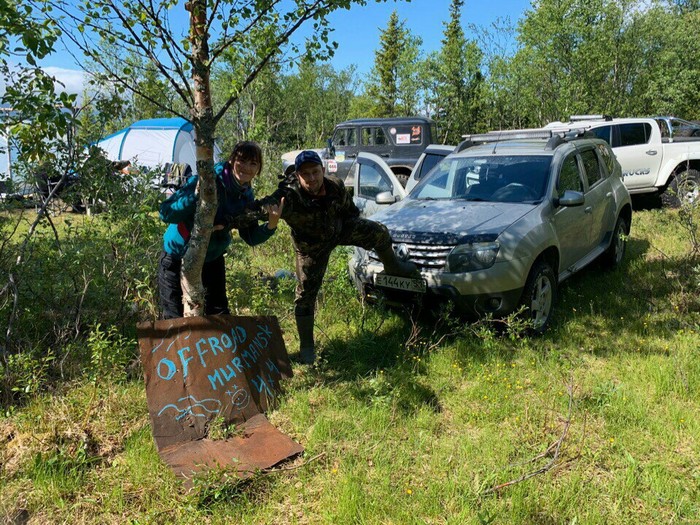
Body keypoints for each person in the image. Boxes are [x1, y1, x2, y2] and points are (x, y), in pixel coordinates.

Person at [253, 150, 418, 364]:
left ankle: (393, 266)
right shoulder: (289, 195)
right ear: (298, 175)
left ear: (322, 170)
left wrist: (353, 228)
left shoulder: (335, 185)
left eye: (315, 172)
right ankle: (307, 348)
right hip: (311, 247)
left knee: (379, 232)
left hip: (339, 229)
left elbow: (350, 211)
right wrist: (228, 218)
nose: (311, 178)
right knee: (305, 296)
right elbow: (259, 209)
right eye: (305, 174)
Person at [158, 141, 283, 319]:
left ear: (258, 169)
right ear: (232, 160)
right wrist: (195, 196)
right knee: (174, 318)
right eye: (242, 160)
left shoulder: (246, 194)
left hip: (211, 259)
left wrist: (271, 225)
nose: (246, 167)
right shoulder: (207, 180)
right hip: (178, 256)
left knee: (218, 315)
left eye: (253, 163)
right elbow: (166, 213)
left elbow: (249, 236)